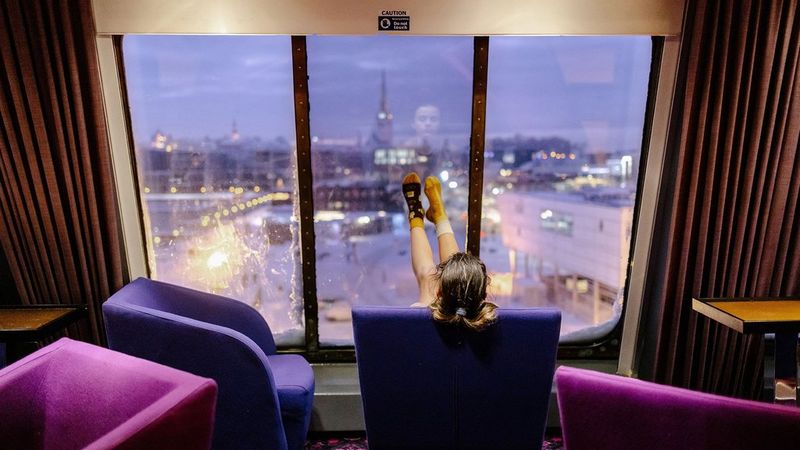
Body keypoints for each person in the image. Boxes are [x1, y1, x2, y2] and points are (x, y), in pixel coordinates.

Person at [401, 172, 497, 331]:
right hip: (466, 311)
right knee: (459, 275)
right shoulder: (491, 322)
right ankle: (437, 214)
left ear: (438, 294)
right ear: (483, 296)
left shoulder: (419, 321)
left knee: (428, 275)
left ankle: (417, 215)